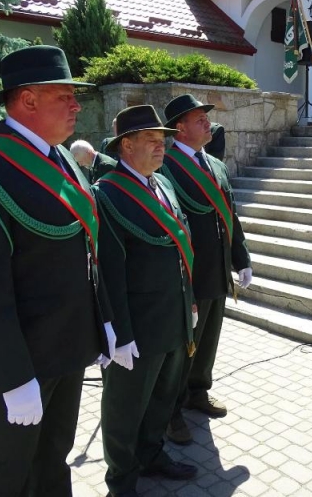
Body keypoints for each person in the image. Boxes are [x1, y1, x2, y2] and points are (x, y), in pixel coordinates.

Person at [0, 45, 116, 496]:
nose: (77, 104)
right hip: (23, 359)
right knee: (7, 470)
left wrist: (104, 325)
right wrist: (12, 377)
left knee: (53, 461)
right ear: (28, 100)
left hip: (69, 348)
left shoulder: (62, 159)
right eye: (65, 95)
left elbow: (85, 254)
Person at [94, 105, 199, 497]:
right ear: (126, 144)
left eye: (163, 141)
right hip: (137, 327)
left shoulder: (163, 184)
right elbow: (109, 272)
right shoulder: (108, 195)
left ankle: (152, 454)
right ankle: (121, 480)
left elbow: (177, 247)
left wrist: (189, 302)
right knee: (124, 407)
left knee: (162, 398)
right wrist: (119, 333)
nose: (161, 147)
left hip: (172, 318)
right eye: (152, 141)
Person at [160, 94, 252, 444]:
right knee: (182, 347)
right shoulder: (166, 168)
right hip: (188, 275)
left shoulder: (215, 165)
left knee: (208, 340)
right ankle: (170, 411)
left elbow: (229, 216)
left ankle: (198, 391)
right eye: (199, 120)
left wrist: (240, 258)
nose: (207, 125)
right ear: (180, 128)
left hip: (217, 272)